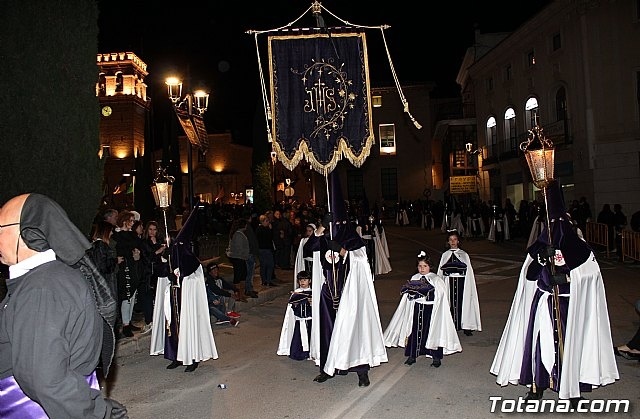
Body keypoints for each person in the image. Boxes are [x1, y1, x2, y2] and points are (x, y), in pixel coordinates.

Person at [490, 180, 618, 406]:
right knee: (541, 344)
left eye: (560, 221)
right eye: (552, 222)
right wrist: (540, 259)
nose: (556, 226)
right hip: (544, 303)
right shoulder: (540, 247)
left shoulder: (580, 249)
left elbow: (592, 276)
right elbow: (528, 277)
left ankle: (572, 388)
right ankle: (538, 384)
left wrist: (568, 278)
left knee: (570, 346)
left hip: (570, 306)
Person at [0, 193, 128, 418]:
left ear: (28, 234)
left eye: (1, 227)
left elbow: (46, 380)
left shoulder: (42, 287)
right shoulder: (42, 279)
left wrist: (100, 412)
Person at [305, 172, 387, 387]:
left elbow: (361, 261)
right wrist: (322, 228)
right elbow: (308, 249)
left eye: (339, 221)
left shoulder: (351, 237)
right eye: (334, 221)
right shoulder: (323, 236)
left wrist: (342, 250)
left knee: (354, 330)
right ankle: (328, 367)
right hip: (327, 292)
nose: (337, 225)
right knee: (328, 330)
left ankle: (361, 370)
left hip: (348, 293)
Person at [149, 208, 218, 373]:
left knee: (188, 326)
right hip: (172, 298)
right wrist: (166, 269)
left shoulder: (188, 256)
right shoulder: (169, 254)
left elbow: (194, 275)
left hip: (186, 299)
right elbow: (161, 273)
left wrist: (180, 276)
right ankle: (176, 356)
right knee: (172, 326)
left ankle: (192, 358)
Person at [383, 251, 461, 367]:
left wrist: (429, 292)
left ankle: (435, 357)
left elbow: (441, 296)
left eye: (425, 266)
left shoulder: (436, 279)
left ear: (430, 266)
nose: (422, 269)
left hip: (431, 310)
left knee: (432, 331)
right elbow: (408, 296)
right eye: (420, 266)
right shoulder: (415, 278)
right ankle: (412, 355)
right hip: (417, 308)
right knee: (415, 331)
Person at [436, 230, 482, 336]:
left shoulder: (464, 254)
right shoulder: (445, 255)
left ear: (458, 241)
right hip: (449, 282)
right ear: (448, 242)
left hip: (462, 282)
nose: (453, 242)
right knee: (450, 303)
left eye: (455, 239)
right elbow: (441, 271)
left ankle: (466, 325)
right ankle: (452, 325)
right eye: (450, 240)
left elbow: (468, 271)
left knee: (463, 303)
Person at [112, 211, 143, 338]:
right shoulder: (117, 235)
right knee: (127, 294)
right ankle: (125, 324)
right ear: (125, 221)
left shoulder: (132, 235)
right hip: (124, 267)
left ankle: (128, 321)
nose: (133, 223)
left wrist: (137, 255)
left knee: (132, 294)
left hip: (133, 265)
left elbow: (137, 246)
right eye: (131, 221)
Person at [277, 270, 313, 360]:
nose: (302, 282)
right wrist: (295, 303)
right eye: (300, 280)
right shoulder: (296, 292)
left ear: (310, 281)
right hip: (299, 320)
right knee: (298, 338)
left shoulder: (313, 292)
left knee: (310, 337)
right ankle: (298, 353)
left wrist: (311, 303)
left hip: (310, 320)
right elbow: (292, 308)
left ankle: (310, 353)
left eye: (305, 280)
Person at [139, 221, 167, 335]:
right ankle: (149, 320)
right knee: (148, 298)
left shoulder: (160, 241)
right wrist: (157, 251)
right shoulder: (144, 243)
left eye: (154, 229)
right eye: (150, 229)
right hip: (149, 274)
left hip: (160, 272)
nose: (152, 232)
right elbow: (147, 259)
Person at [256, 214, 276, 290]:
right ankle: (267, 280)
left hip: (263, 249)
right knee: (269, 265)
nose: (268, 223)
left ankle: (265, 280)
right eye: (267, 221)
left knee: (264, 265)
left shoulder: (259, 229)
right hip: (265, 249)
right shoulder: (262, 229)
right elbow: (268, 238)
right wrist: (270, 230)